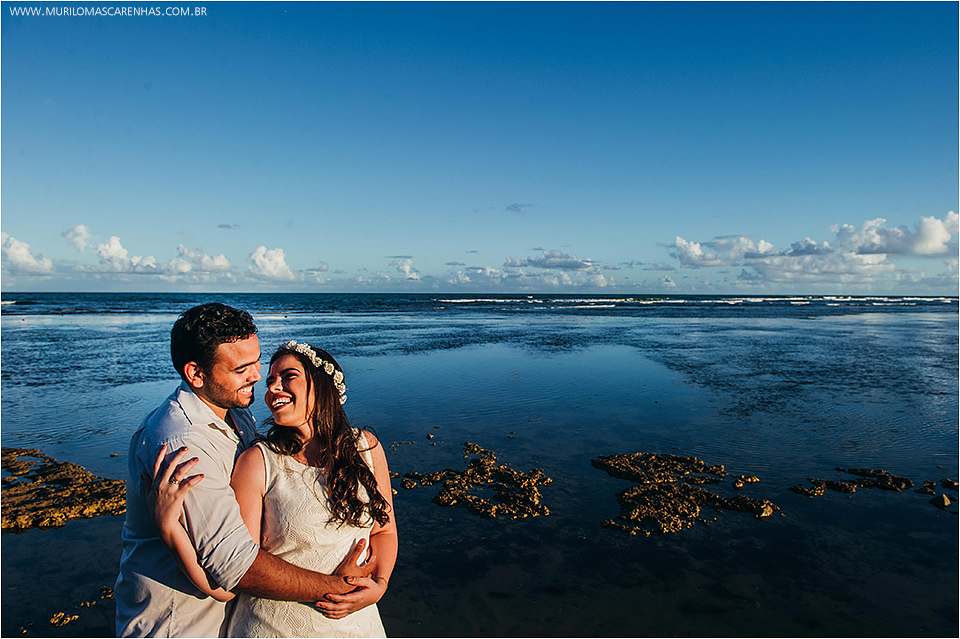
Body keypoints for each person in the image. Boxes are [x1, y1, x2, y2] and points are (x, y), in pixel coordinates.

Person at [115, 304, 366, 637]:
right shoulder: (182, 444)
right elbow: (238, 567)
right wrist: (339, 588)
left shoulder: (234, 410)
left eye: (257, 361)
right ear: (196, 374)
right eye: (242, 368)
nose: (258, 376)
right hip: (180, 626)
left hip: (228, 619)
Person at [152, 340, 397, 637]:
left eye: (288, 376)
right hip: (275, 627)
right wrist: (168, 528)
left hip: (358, 624)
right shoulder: (257, 462)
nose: (273, 388)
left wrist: (379, 586)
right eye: (270, 381)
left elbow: (384, 531)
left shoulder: (366, 448)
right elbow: (233, 576)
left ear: (322, 385)